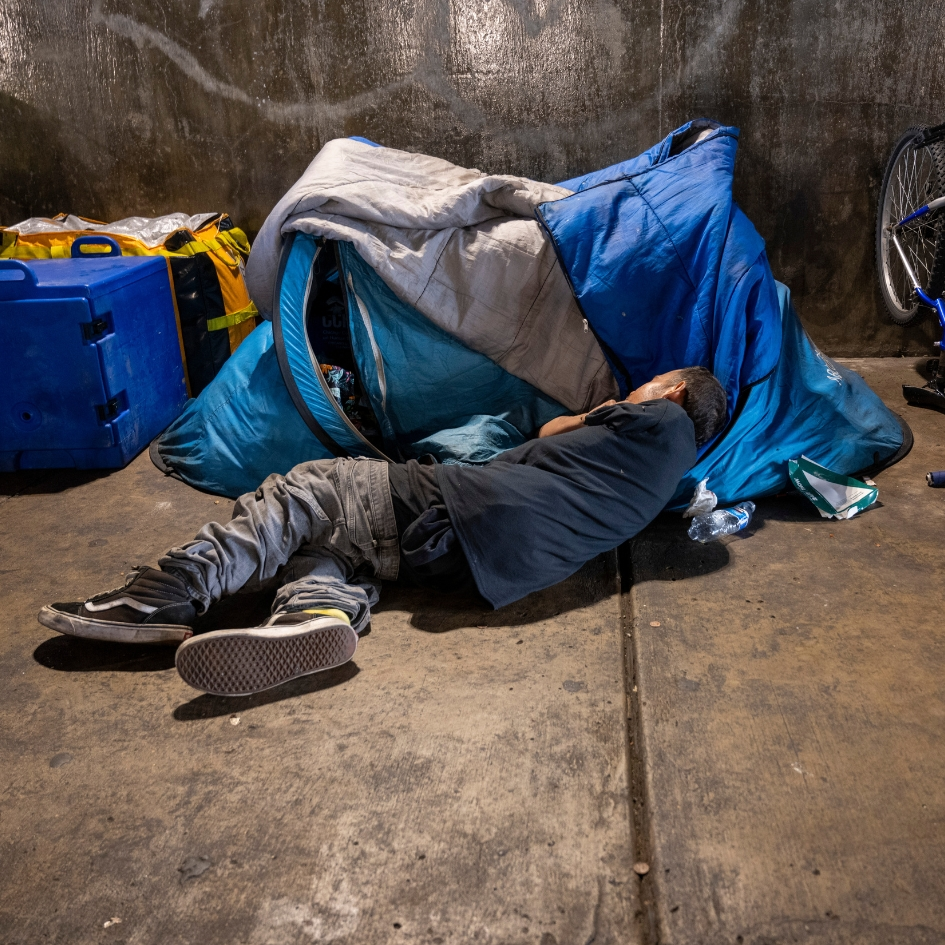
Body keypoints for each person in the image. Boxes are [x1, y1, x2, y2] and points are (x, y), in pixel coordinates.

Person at [38, 367, 727, 697]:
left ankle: (166, 592)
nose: (638, 386)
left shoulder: (658, 420)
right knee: (344, 541)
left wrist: (609, 404)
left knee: (313, 488)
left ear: (673, 393)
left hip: (463, 507)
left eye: (653, 380)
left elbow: (552, 427)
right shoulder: (665, 483)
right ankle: (315, 607)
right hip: (484, 571)